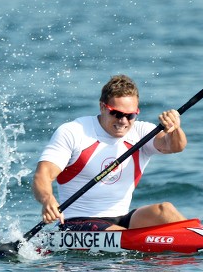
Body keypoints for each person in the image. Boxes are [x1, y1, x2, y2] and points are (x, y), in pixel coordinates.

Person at [32, 74, 187, 231]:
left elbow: (175, 147)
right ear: (102, 107)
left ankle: (199, 238)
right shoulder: (74, 132)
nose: (123, 121)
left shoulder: (141, 132)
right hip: (76, 222)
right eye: (117, 114)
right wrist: (47, 199)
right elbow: (42, 175)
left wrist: (174, 129)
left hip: (121, 219)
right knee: (125, 235)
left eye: (130, 115)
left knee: (165, 210)